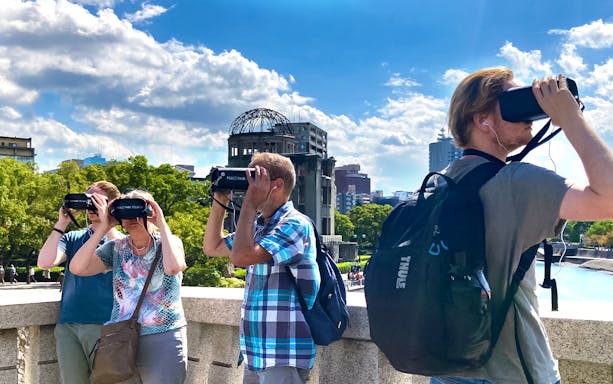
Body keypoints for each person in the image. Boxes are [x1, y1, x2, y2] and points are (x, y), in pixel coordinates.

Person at [430, 69, 613, 384]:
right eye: (514, 101)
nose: (530, 113)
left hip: (446, 370)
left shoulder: (437, 185)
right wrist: (571, 119)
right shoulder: (517, 181)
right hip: (514, 372)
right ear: (481, 119)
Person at [203, 152, 321, 384]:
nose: (248, 185)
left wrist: (249, 203)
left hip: (283, 352)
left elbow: (241, 257)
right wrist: (221, 199)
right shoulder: (259, 227)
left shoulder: (295, 224)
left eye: (255, 178)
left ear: (276, 185)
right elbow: (212, 247)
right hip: (256, 351)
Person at [70, 189, 188, 384]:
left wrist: (161, 222)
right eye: (125, 211)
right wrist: (103, 226)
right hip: (121, 338)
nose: (131, 217)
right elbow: (78, 268)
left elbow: (173, 266)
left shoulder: (170, 243)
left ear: (151, 213)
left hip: (163, 335)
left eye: (137, 210)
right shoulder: (116, 248)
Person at [37, 181, 123, 384]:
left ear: (113, 204)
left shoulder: (122, 240)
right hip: (70, 324)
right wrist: (62, 223)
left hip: (107, 325)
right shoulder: (74, 237)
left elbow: (120, 249)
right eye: (88, 200)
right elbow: (44, 263)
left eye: (98, 201)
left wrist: (106, 223)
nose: (91, 206)